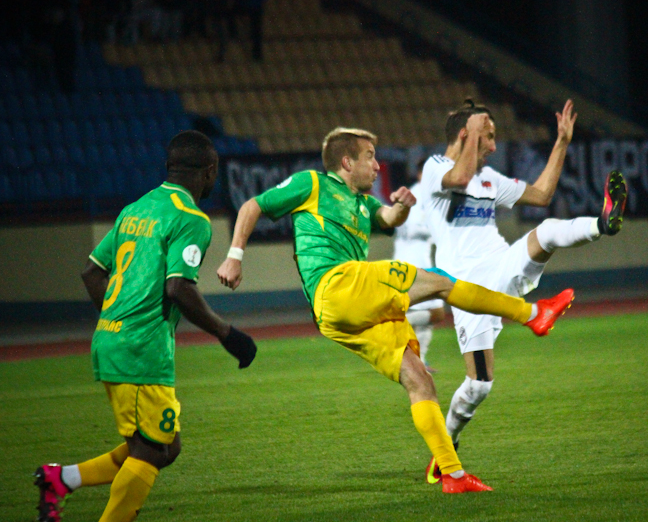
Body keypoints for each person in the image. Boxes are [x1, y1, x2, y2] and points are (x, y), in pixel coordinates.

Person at [216, 127, 574, 493]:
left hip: (341, 314)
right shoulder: (312, 183)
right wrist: (234, 256)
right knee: (440, 281)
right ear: (346, 162)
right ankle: (532, 314)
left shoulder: (362, 202)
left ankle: (452, 475)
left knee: (419, 379)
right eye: (370, 157)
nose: (377, 165)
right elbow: (253, 205)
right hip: (337, 284)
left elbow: (388, 219)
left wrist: (402, 206)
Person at [34, 130, 258, 522]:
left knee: (165, 446)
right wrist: (228, 334)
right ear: (210, 171)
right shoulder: (191, 218)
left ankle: (61, 479)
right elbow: (179, 288)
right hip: (141, 350)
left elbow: (91, 273)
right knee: (153, 450)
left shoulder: (135, 209)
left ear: (169, 167)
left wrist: (116, 320)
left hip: (112, 341)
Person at [418, 99, 628, 484]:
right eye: (487, 136)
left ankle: (603, 223)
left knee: (546, 230)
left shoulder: (488, 178)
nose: (493, 146)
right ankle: (445, 449)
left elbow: (542, 194)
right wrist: (474, 131)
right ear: (465, 135)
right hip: (465, 289)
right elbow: (459, 178)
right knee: (478, 385)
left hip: (501, 266)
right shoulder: (435, 168)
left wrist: (561, 142)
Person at [392, 160, 445, 373]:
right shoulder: (416, 195)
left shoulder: (428, 196)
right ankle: (393, 323)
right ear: (421, 174)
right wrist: (438, 230)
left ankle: (420, 360)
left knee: (431, 313)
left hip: (421, 260)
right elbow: (412, 227)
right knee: (436, 312)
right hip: (412, 262)